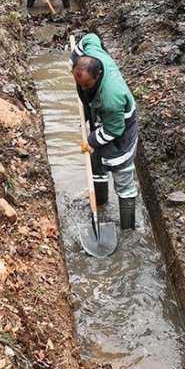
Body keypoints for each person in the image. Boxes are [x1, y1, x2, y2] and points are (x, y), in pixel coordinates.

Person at [72, 32, 139, 230]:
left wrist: (91, 141)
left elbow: (113, 130)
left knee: (121, 170)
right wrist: (74, 55)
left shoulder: (111, 96)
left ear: (99, 75)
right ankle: (99, 205)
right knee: (97, 162)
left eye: (87, 85)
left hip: (120, 129)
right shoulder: (91, 54)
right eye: (79, 84)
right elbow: (90, 38)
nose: (83, 89)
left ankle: (128, 229)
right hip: (101, 118)